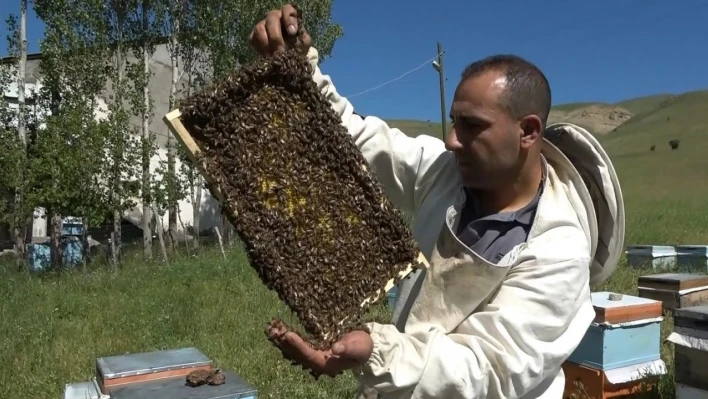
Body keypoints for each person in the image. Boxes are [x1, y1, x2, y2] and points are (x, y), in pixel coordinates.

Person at [252, 4, 626, 399]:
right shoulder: (446, 171)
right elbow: (357, 143)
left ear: (528, 132)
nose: (452, 139)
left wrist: (376, 350)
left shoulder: (559, 250)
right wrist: (301, 69)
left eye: (472, 126)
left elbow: (484, 371)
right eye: (453, 121)